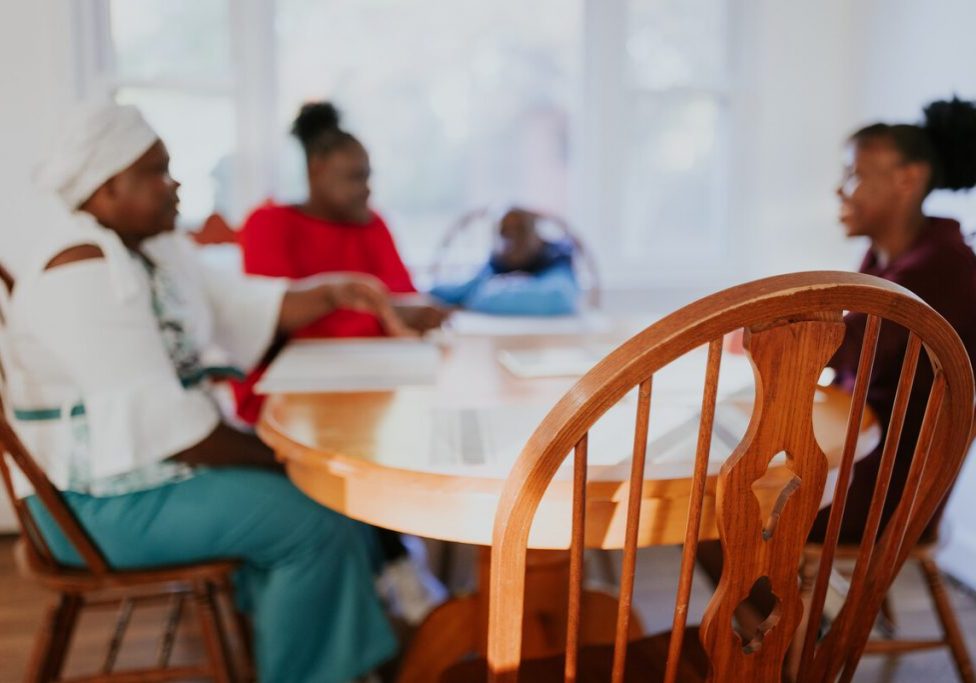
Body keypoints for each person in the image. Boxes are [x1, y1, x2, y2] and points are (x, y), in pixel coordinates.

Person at [7, 102, 406, 682]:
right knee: (317, 518)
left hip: (139, 477)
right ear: (105, 187)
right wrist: (283, 460)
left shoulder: (150, 252)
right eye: (155, 172)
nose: (175, 184)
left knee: (320, 498)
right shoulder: (81, 273)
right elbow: (174, 431)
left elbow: (240, 304)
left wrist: (335, 290)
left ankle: (299, 638)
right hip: (89, 507)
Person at [699, 96, 976, 624]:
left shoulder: (940, 268)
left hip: (890, 488)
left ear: (906, 179)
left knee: (717, 514)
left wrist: (768, 324)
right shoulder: (891, 258)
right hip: (864, 455)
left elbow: (843, 345)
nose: (839, 188)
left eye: (853, 174)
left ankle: (787, 643)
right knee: (728, 493)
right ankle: (800, 620)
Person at [233, 101, 446, 424]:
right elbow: (276, 319)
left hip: (374, 381)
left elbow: (406, 303)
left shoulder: (373, 225)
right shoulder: (267, 223)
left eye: (368, 177)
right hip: (295, 391)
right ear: (316, 169)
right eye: (355, 178)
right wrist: (385, 314)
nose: (367, 190)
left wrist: (408, 313)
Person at [430, 207, 581, 315]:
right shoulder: (497, 264)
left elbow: (557, 299)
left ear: (536, 234)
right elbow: (451, 291)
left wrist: (491, 292)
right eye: (504, 233)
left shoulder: (556, 261)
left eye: (519, 230)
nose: (511, 240)